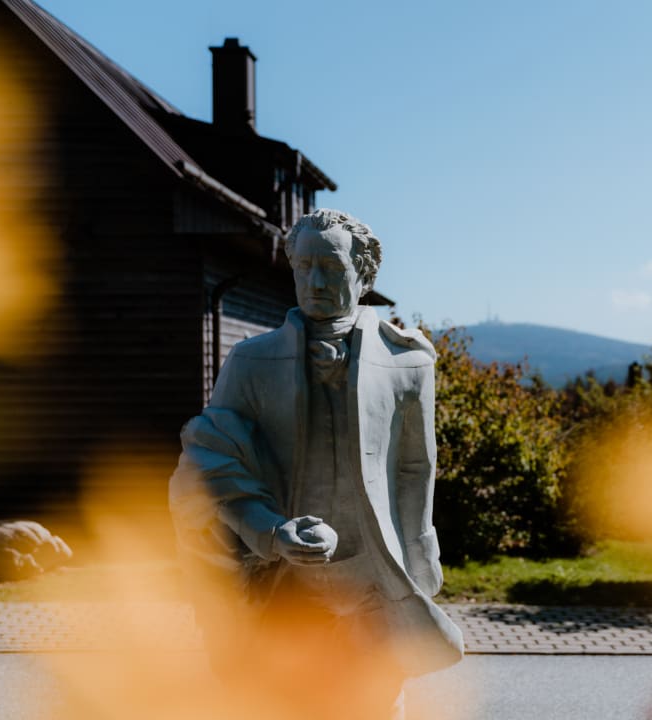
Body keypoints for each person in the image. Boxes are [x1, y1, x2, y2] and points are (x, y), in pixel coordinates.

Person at [169, 209, 463, 719]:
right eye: (304, 267)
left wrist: (420, 556)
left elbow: (415, 467)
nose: (315, 282)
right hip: (284, 579)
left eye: (330, 267)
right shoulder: (251, 361)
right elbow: (208, 461)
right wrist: (269, 531)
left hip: (375, 579)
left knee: (375, 704)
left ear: (364, 274)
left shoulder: (408, 362)